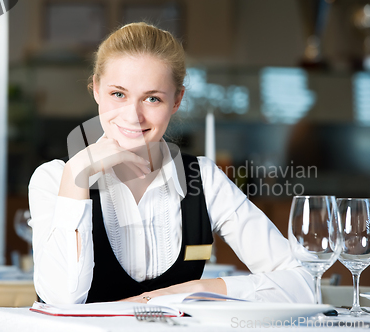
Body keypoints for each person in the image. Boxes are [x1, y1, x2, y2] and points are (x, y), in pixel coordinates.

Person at [28, 22, 315, 305]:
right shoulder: (53, 179)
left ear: (177, 101)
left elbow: (303, 283)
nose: (133, 116)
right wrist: (78, 173)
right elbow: (61, 302)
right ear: (96, 90)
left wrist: (188, 291)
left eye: (152, 99)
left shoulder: (203, 179)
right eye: (118, 94)